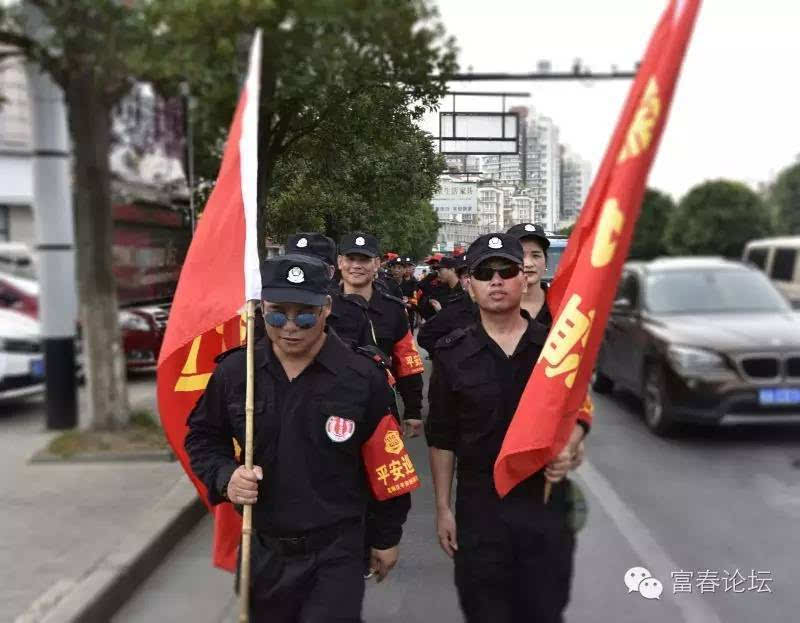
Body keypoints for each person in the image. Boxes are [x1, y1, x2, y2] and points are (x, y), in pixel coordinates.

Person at [185, 254, 415, 622]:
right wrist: (226, 476)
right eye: (277, 315)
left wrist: (386, 537)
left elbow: (388, 466)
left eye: (305, 315)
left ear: (326, 309)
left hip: (336, 551)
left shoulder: (361, 377)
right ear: (261, 309)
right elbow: (203, 437)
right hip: (262, 548)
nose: (290, 327)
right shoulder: (237, 372)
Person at [426, 233, 588, 623]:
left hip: (544, 500)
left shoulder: (555, 349)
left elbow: (577, 411)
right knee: (485, 611)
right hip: (481, 506)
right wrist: (443, 508)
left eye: (506, 271)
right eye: (485, 273)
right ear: (470, 284)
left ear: (524, 278)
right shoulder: (452, 354)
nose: (496, 281)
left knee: (544, 611)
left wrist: (573, 443)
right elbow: (442, 438)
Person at [507, 222, 591, 466]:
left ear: (545, 262)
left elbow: (577, 379)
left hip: (549, 432)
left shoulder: (566, 312)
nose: (528, 263)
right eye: (520, 255)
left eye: (536, 255)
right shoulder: (491, 308)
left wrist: (575, 436)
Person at [338, 233, 425, 438]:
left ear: (377, 264)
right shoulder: (323, 306)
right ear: (340, 262)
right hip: (334, 406)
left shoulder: (393, 309)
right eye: (351, 259)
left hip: (381, 406)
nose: (356, 266)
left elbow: (407, 361)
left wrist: (413, 410)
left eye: (364, 260)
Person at [286, 232, 376, 349]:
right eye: (293, 265)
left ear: (331, 271)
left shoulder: (354, 314)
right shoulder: (268, 309)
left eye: (312, 266)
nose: (301, 272)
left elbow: (369, 357)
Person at [416, 255, 475, 354]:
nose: (438, 273)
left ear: (452, 270)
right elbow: (425, 335)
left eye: (440, 270)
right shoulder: (442, 290)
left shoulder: (475, 300)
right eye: (464, 276)